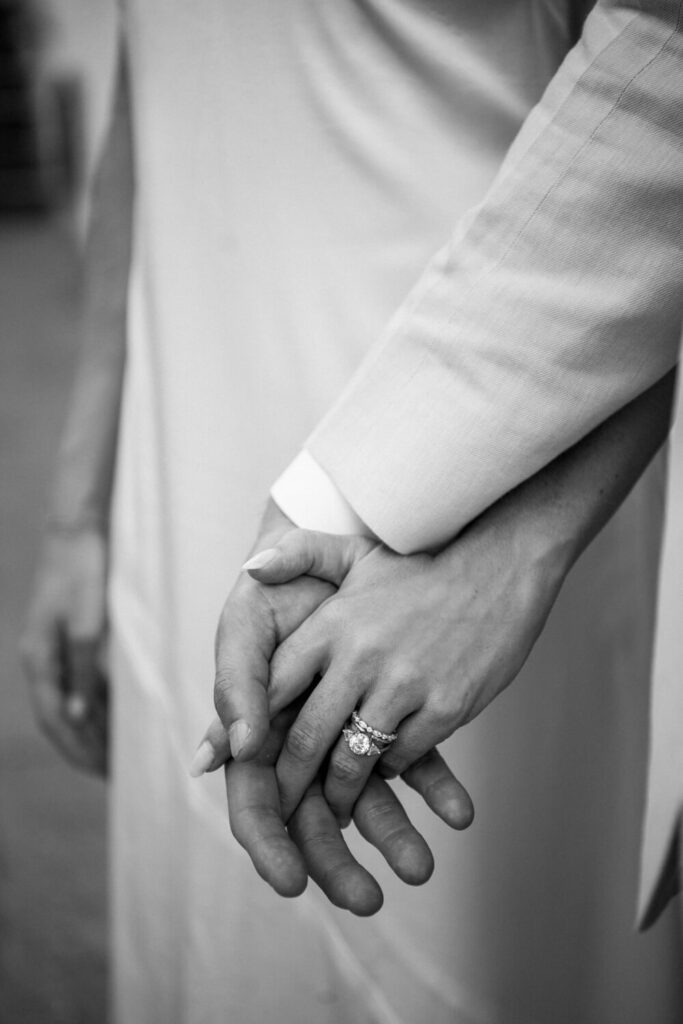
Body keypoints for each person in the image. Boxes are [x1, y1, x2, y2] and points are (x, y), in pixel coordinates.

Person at [21, 2, 683, 1023]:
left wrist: (511, 553)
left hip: (492, 455)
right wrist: (78, 507)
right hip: (191, 441)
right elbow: (144, 113)